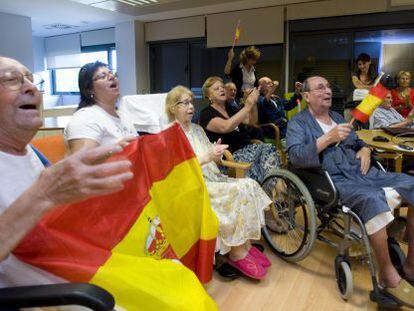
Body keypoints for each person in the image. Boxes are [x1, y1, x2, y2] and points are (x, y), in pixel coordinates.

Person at [0, 56, 133, 287]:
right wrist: (42, 195)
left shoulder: (32, 154)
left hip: (77, 267)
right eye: (12, 80)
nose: (32, 88)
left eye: (31, 80)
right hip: (51, 295)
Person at [286, 75, 414, 307]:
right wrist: (326, 139)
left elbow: (357, 142)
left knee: (412, 183)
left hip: (363, 172)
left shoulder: (337, 117)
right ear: (306, 96)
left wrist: (365, 149)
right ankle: (387, 273)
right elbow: (295, 156)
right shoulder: (298, 123)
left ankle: (411, 265)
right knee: (371, 199)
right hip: (333, 180)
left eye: (328, 86)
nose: (327, 90)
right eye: (320, 87)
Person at [166, 85, 272, 279]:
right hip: (193, 184)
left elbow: (211, 157)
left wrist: (216, 153)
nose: (190, 106)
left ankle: (245, 245)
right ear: (172, 108)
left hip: (212, 176)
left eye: (191, 102)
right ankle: (236, 252)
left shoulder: (197, 129)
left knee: (249, 185)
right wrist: (207, 156)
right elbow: (175, 169)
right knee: (237, 191)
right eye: (184, 103)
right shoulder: (169, 135)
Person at [199, 76, 280, 184]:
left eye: (222, 87)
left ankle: (277, 190)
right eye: (216, 88)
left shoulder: (231, 108)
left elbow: (252, 121)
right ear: (208, 96)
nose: (221, 89)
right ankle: (277, 192)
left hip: (248, 149)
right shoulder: (206, 114)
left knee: (267, 155)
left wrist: (253, 102)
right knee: (267, 152)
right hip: (230, 158)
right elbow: (226, 126)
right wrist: (247, 106)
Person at [64, 61, 137, 154]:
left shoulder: (123, 115)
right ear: (89, 89)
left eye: (112, 74)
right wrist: (114, 149)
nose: (112, 77)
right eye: (103, 76)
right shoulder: (85, 118)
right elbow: (81, 162)